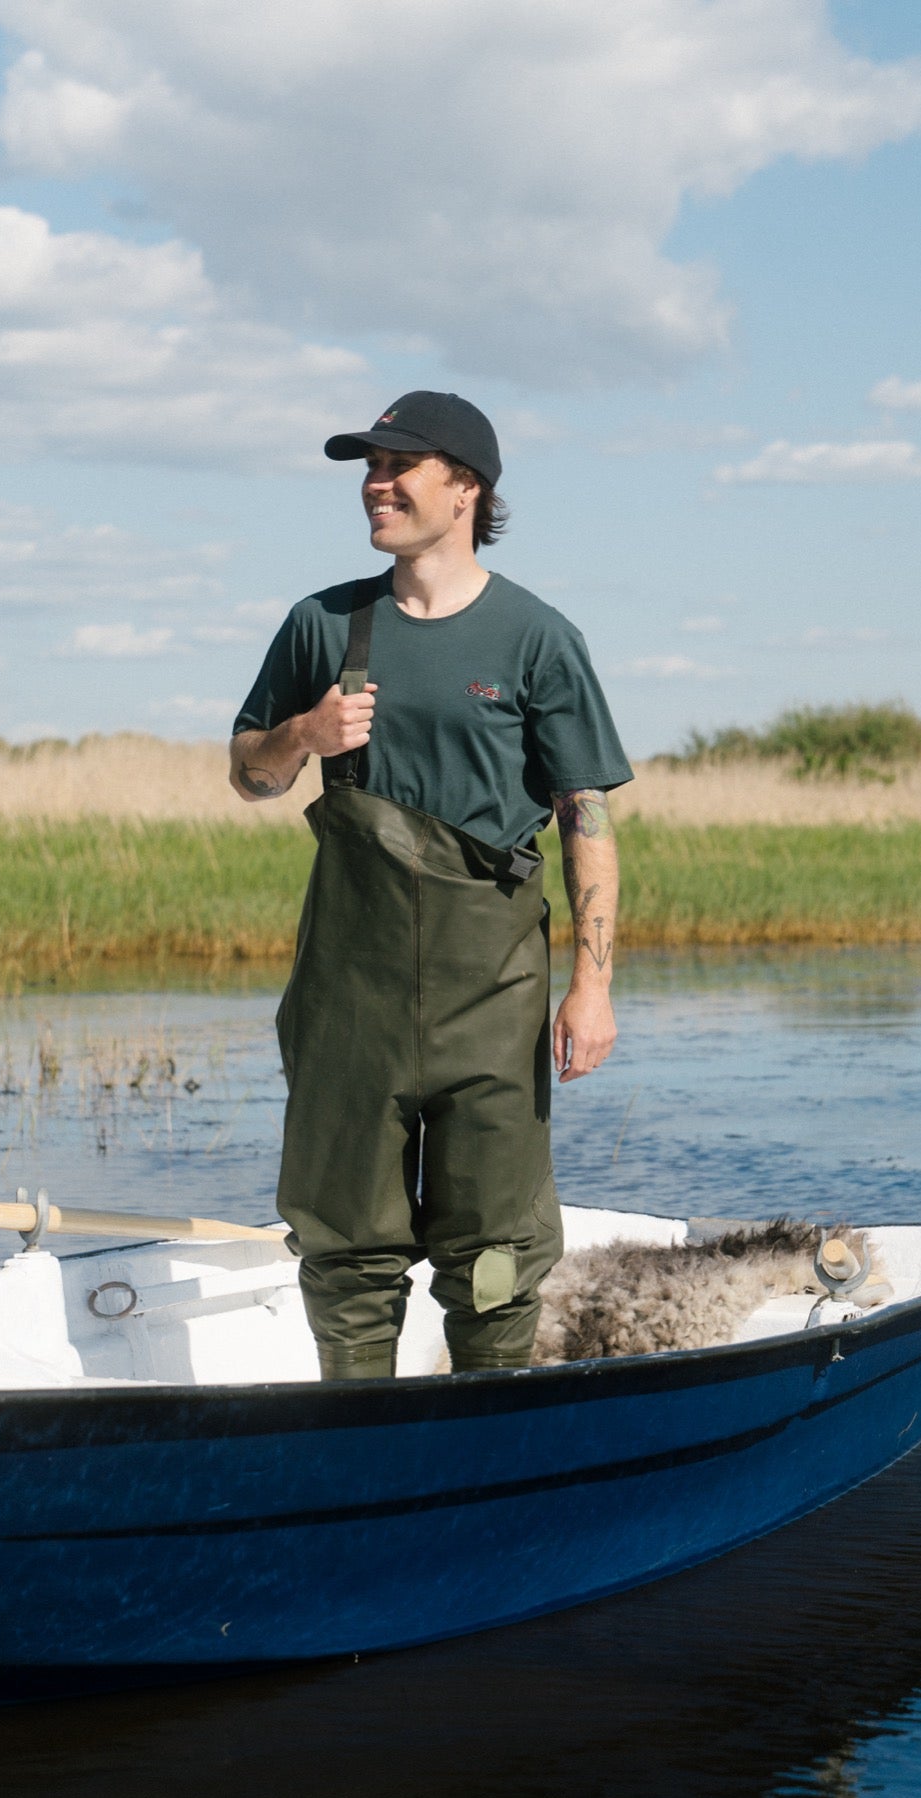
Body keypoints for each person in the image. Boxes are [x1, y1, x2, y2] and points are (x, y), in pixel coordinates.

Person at [230, 390, 632, 1379]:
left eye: (398, 463)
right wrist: (302, 736)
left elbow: (588, 819)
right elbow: (249, 773)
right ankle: (359, 1446)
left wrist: (593, 984)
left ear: (465, 488)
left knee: (494, 1241)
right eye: (369, 464)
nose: (376, 480)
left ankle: (487, 1440)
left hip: (489, 990)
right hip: (348, 990)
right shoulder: (322, 624)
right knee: (343, 1236)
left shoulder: (536, 637)